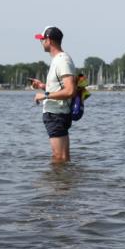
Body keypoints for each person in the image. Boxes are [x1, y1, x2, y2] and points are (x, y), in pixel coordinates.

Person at [30, 26, 77, 163]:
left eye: (42, 39)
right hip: (56, 114)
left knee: (60, 158)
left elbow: (69, 90)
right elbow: (60, 87)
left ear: (48, 40)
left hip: (57, 115)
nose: (41, 42)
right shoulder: (58, 59)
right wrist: (43, 86)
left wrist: (44, 95)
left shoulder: (62, 60)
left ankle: (59, 184)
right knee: (61, 157)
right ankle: (61, 182)